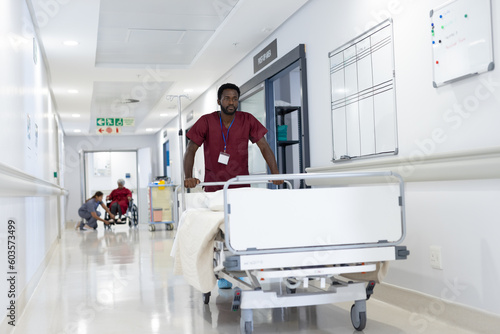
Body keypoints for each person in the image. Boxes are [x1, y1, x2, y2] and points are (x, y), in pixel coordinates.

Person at [183, 83, 283, 288]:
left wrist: (275, 173)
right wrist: (188, 176)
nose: (231, 102)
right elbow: (191, 149)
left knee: (242, 229)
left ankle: (244, 267)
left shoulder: (247, 120)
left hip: (240, 187)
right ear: (219, 101)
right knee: (218, 232)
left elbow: (264, 146)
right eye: (227, 98)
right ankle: (217, 270)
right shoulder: (206, 121)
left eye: (235, 98)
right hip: (215, 187)